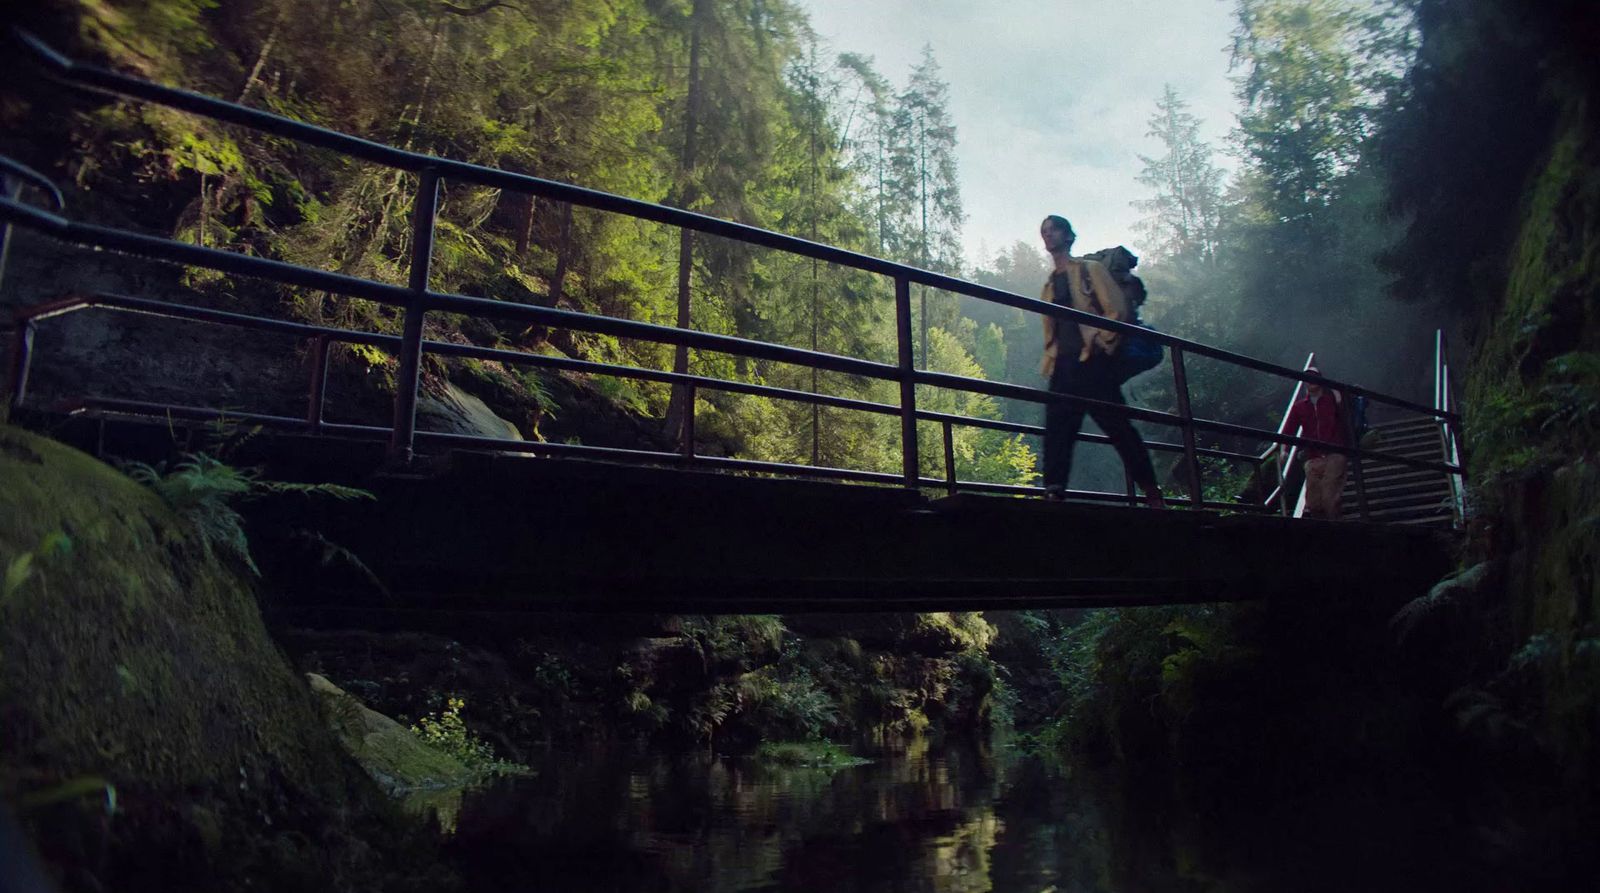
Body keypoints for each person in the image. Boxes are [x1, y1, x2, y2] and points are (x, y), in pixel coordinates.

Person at [1037, 215, 1164, 508]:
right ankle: (1054, 491)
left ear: (1068, 235)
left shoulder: (1089, 270)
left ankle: (1151, 492)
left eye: (1054, 230)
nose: (1048, 236)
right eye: (1044, 232)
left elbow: (1116, 309)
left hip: (1092, 363)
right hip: (1064, 366)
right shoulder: (1048, 285)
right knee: (1057, 430)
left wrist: (1101, 341)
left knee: (1118, 427)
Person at [1282, 366, 1351, 519]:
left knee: (1329, 498)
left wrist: (1339, 398)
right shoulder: (1300, 406)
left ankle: (1336, 529)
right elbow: (1288, 429)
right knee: (1313, 503)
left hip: (1335, 453)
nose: (1310, 381)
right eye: (1307, 378)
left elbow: (1347, 415)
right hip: (1313, 457)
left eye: (1313, 377)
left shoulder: (1331, 399)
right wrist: (1284, 449)